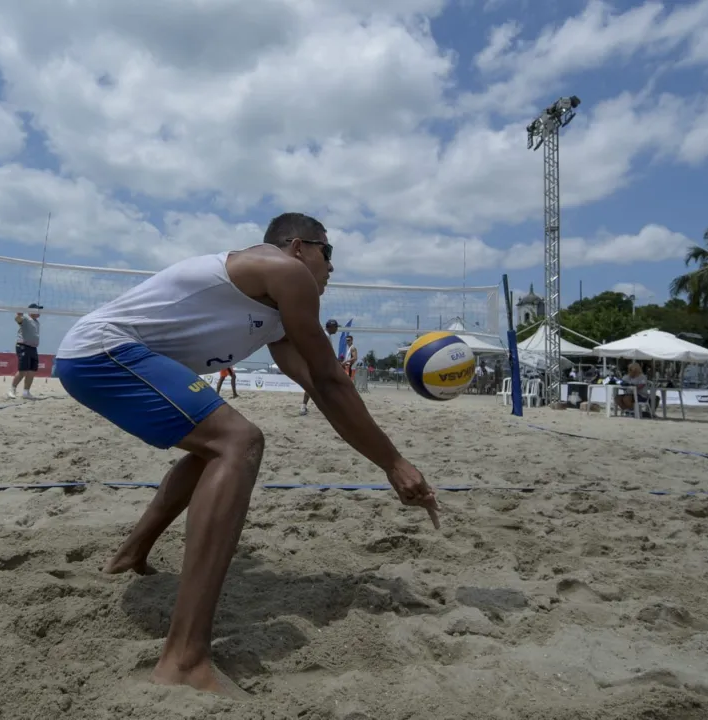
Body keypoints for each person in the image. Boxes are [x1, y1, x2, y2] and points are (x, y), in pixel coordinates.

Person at [55, 212, 437, 698]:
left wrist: (391, 463)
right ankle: (184, 660)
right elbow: (330, 380)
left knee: (211, 450)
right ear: (297, 247)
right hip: (102, 352)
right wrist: (396, 464)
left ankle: (131, 553)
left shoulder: (275, 320)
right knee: (239, 441)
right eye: (328, 252)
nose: (332, 268)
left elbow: (325, 391)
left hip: (96, 356)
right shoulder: (285, 272)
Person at [299, 318, 339, 415]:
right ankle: (306, 407)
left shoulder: (325, 335)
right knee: (321, 386)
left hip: (317, 364)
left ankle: (304, 407)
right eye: (336, 327)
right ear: (331, 327)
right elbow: (326, 352)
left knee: (314, 386)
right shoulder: (325, 336)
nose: (337, 329)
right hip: (319, 365)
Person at [8, 303, 42, 400]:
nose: (39, 312)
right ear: (32, 310)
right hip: (23, 346)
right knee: (22, 370)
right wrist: (19, 315)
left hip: (33, 348)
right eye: (37, 310)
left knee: (32, 371)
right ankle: (12, 389)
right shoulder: (26, 318)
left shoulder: (36, 322)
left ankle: (26, 392)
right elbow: (18, 320)